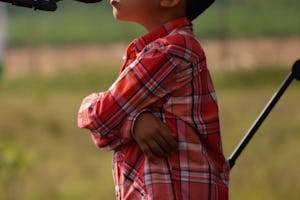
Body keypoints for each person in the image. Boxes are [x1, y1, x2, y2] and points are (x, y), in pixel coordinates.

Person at [77, 0, 230, 199]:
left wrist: (123, 121)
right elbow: (104, 125)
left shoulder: (170, 51)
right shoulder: (161, 50)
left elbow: (101, 118)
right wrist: (134, 123)